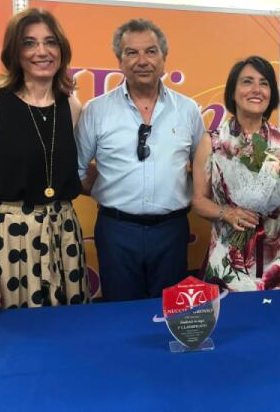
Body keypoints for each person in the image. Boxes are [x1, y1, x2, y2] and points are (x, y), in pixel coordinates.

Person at [0, 8, 90, 323]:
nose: (41, 51)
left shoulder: (72, 106)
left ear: (62, 49)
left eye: (50, 42)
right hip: (7, 240)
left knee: (68, 334)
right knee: (7, 337)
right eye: (29, 43)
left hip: (63, 238)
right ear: (15, 52)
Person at [75, 19, 205, 301]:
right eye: (131, 53)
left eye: (151, 51)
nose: (142, 61)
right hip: (116, 232)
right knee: (120, 312)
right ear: (119, 61)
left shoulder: (188, 110)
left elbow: (203, 169)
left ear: (164, 58)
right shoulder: (96, 110)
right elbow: (78, 169)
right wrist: (109, 186)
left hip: (172, 232)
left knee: (170, 311)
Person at [192, 56, 280, 291]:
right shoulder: (212, 142)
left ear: (271, 93)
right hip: (228, 256)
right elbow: (199, 201)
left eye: (264, 83)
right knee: (232, 314)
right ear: (233, 92)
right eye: (247, 81)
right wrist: (227, 212)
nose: (256, 89)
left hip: (278, 256)